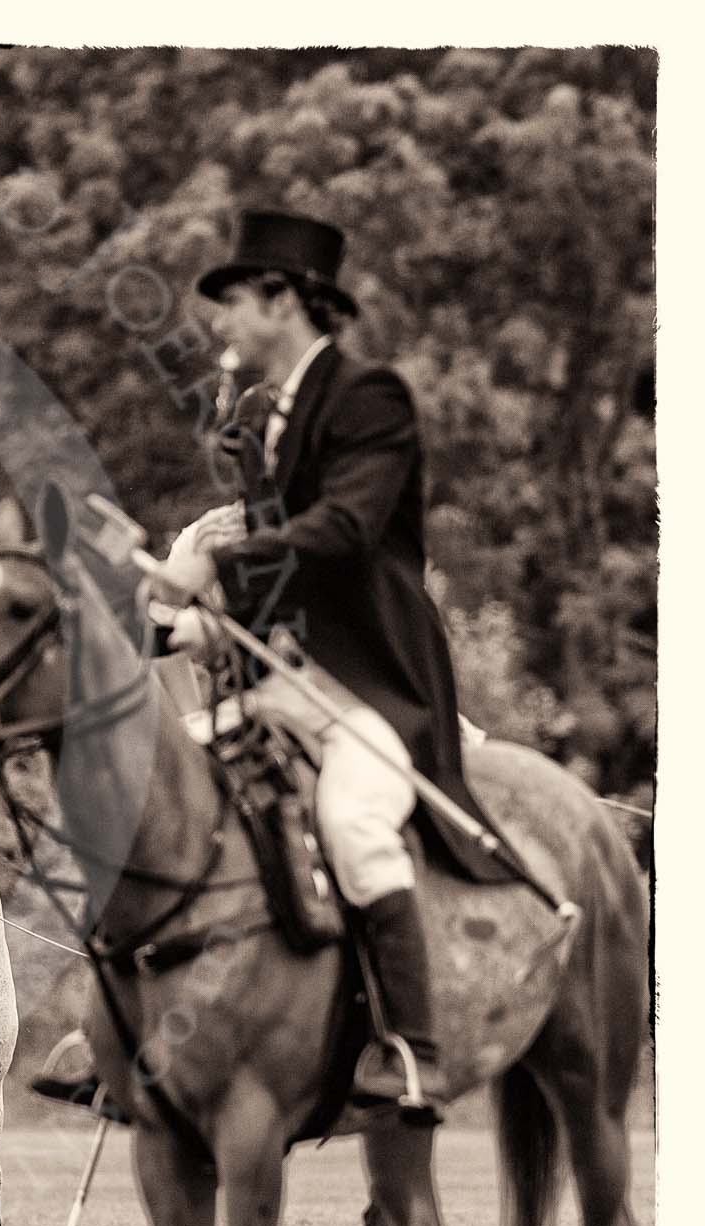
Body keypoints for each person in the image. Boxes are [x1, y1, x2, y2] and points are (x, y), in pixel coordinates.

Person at [147, 208, 511, 1116]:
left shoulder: (368, 396)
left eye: (232, 300)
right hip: (286, 684)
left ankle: (413, 1049)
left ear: (284, 298)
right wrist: (195, 622)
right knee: (161, 797)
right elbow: (279, 564)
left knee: (351, 821)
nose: (220, 320)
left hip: (375, 686)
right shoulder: (266, 422)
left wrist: (216, 564)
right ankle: (141, 1036)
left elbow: (345, 535)